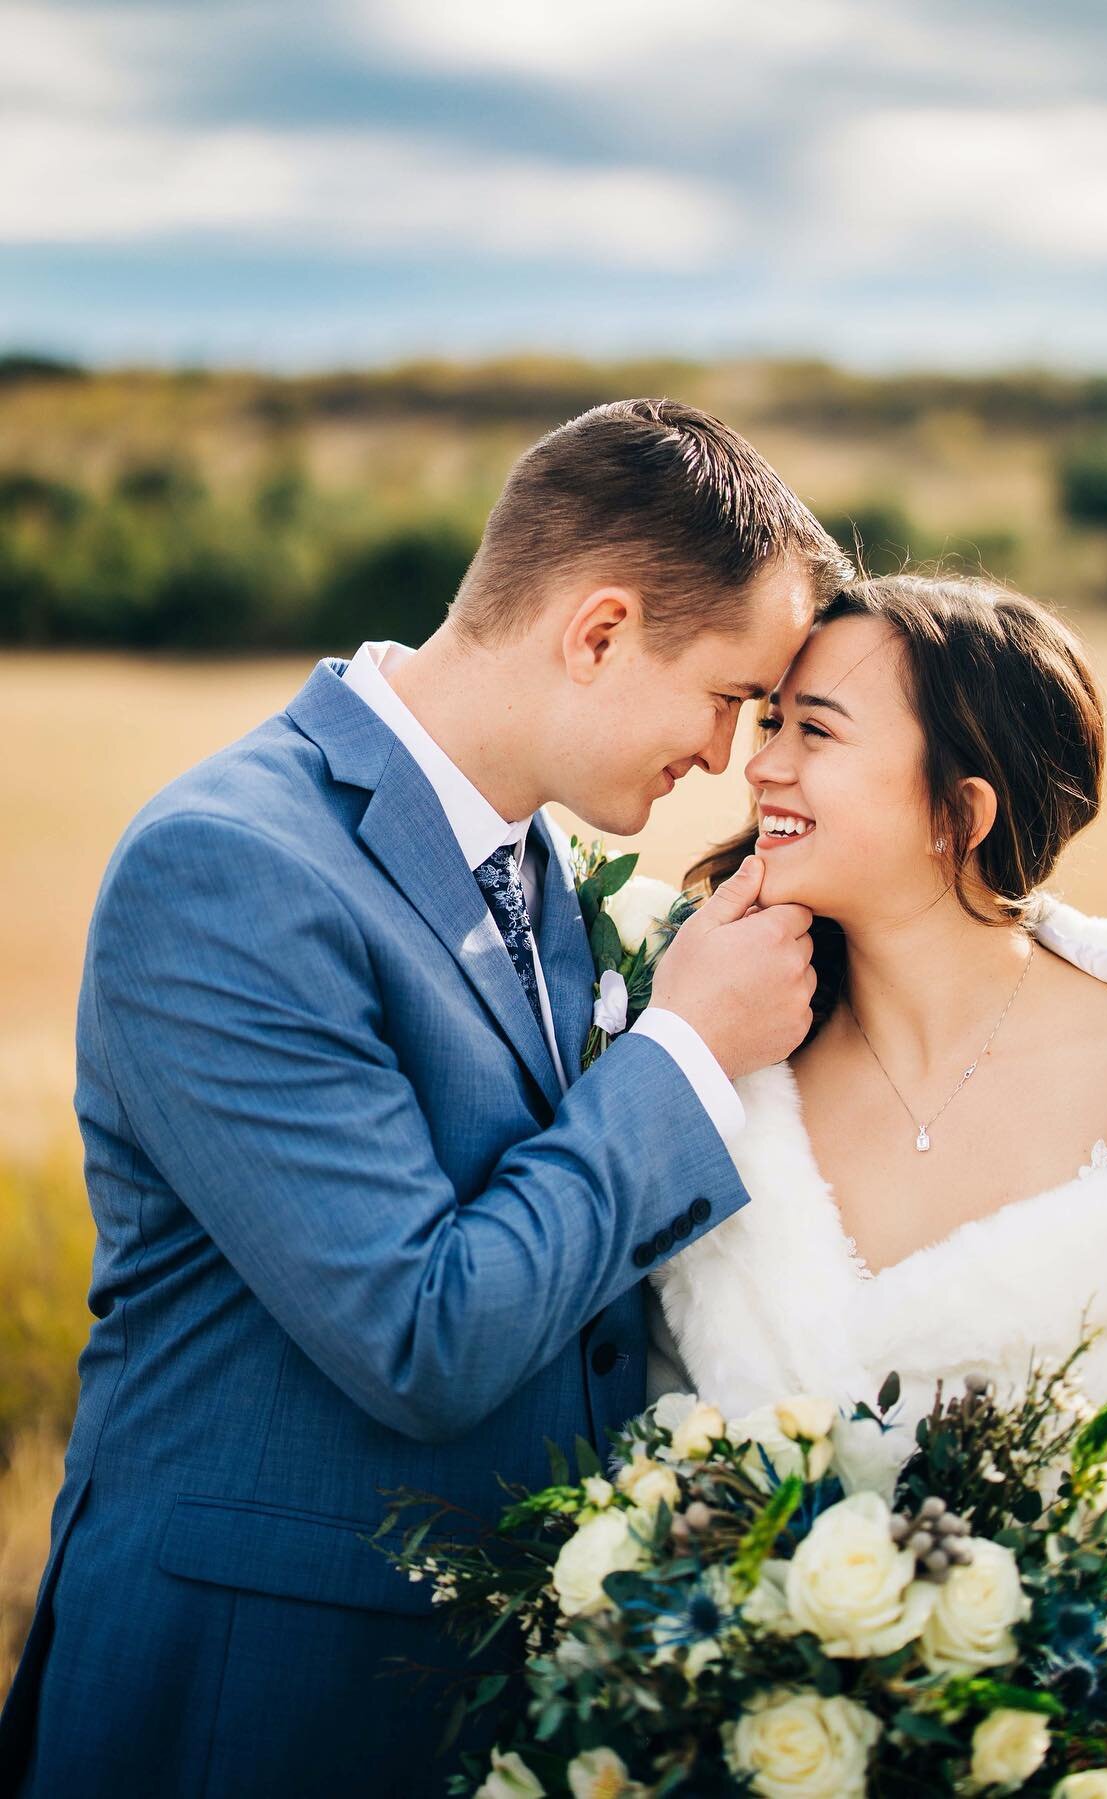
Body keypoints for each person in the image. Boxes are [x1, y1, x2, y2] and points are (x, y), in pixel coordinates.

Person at [0, 400, 846, 1798]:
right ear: (599, 630)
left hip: (465, 1694)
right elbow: (419, 1331)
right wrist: (688, 1052)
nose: (729, 756)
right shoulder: (231, 865)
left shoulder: (535, 868)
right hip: (247, 1698)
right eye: (728, 696)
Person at [651, 573, 1107, 1624]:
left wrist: (1001, 1716)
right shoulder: (732, 1071)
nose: (760, 763)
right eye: (770, 722)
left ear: (962, 808)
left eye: (814, 730)